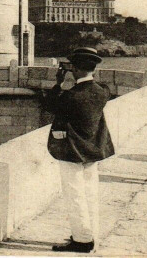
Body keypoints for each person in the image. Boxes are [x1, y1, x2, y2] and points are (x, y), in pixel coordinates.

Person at [45, 47, 114, 253]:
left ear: (74, 68)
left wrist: (58, 83)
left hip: (72, 151)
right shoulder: (102, 92)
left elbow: (50, 105)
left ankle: (82, 240)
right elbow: (100, 86)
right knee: (90, 193)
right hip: (93, 150)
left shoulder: (70, 96)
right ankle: (90, 234)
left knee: (74, 194)